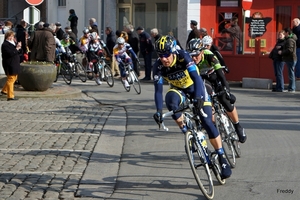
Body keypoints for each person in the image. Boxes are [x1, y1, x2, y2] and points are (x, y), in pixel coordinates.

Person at [152, 35, 231, 179]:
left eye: (166, 55)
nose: (163, 59)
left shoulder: (183, 57)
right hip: (179, 90)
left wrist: (199, 98)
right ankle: (188, 134)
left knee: (207, 121)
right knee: (170, 101)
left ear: (173, 52)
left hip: (196, 87)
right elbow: (158, 91)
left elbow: (196, 78)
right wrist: (158, 111)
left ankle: (221, 156)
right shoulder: (157, 66)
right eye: (160, 55)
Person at [187, 38, 247, 143]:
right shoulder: (189, 61)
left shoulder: (209, 55)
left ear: (202, 51)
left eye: (196, 55)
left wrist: (227, 90)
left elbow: (220, 73)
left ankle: (238, 126)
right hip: (204, 81)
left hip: (215, 77)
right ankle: (215, 128)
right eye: (191, 55)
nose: (194, 58)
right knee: (207, 103)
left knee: (225, 101)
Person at [1, 30, 22, 101]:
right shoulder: (5, 45)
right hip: (9, 63)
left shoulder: (13, 43)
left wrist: (19, 48)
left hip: (14, 63)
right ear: (7, 37)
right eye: (10, 36)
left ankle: (4, 90)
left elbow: (18, 52)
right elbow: (10, 53)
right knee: (11, 79)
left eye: (12, 36)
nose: (11, 37)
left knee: (14, 78)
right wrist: (16, 49)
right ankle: (10, 96)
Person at [278, 27, 297, 92]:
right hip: (290, 58)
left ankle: (292, 88)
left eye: (285, 33)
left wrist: (282, 52)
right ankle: (291, 88)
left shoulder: (290, 40)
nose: (284, 34)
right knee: (291, 73)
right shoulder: (289, 39)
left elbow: (290, 50)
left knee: (291, 74)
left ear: (287, 33)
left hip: (291, 58)